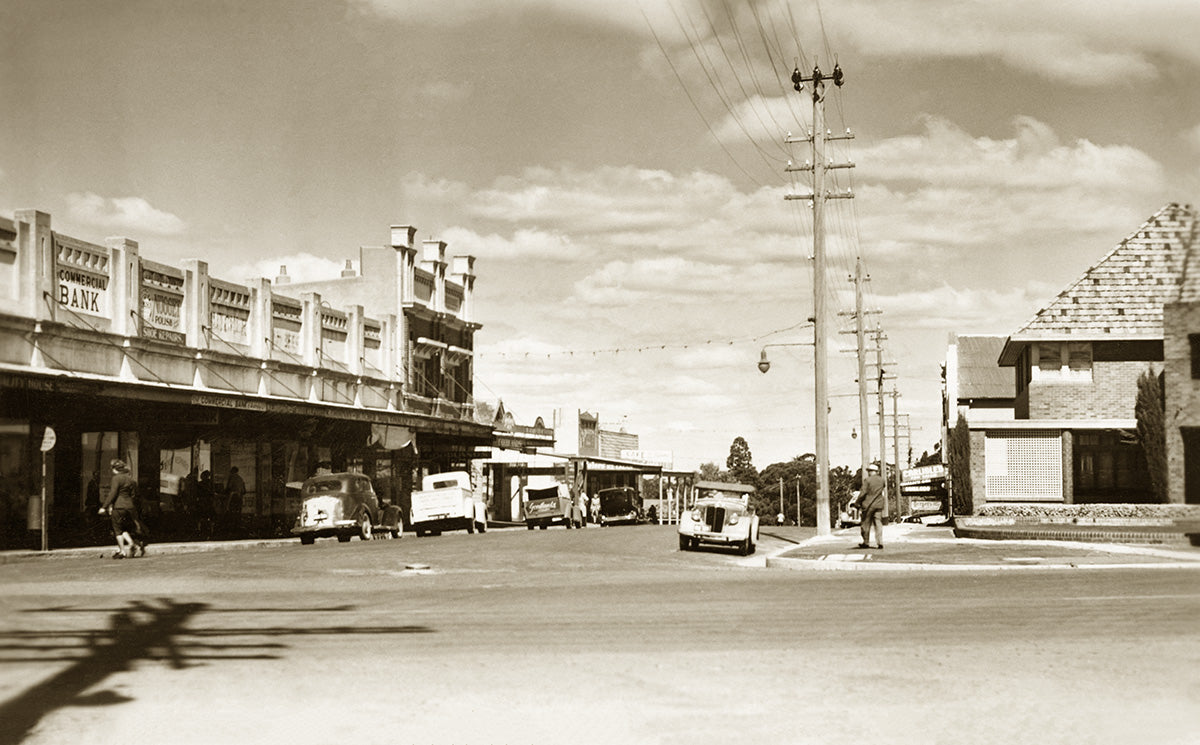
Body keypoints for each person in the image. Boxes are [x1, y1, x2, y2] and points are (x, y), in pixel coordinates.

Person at [99, 459, 144, 558]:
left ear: (114, 469)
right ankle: (131, 543)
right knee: (124, 527)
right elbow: (134, 495)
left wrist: (104, 506)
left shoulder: (116, 478)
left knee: (117, 529)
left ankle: (122, 551)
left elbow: (113, 493)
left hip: (119, 506)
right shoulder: (130, 479)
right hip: (130, 507)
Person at [854, 463, 886, 549]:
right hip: (879, 504)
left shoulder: (867, 480)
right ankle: (880, 542)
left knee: (865, 523)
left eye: (869, 471)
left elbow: (863, 493)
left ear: (873, 471)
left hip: (868, 505)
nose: (868, 472)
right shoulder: (882, 480)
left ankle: (866, 542)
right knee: (878, 523)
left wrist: (857, 502)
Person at [225, 466, 246, 534]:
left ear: (232, 471)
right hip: (240, 498)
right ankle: (237, 528)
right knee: (238, 513)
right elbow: (244, 490)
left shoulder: (232, 477)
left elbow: (228, 488)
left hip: (233, 497)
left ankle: (232, 529)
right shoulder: (240, 478)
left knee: (231, 512)